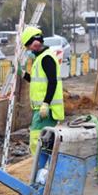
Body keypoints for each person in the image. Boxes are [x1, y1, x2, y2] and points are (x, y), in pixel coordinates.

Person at [20, 26, 64, 157]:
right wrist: (22, 74)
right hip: (42, 108)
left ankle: (38, 170)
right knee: (45, 141)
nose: (29, 50)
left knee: (37, 139)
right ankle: (43, 170)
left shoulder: (46, 58)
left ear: (35, 43)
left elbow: (52, 82)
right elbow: (36, 80)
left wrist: (46, 103)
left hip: (46, 109)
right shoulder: (39, 59)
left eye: (29, 47)